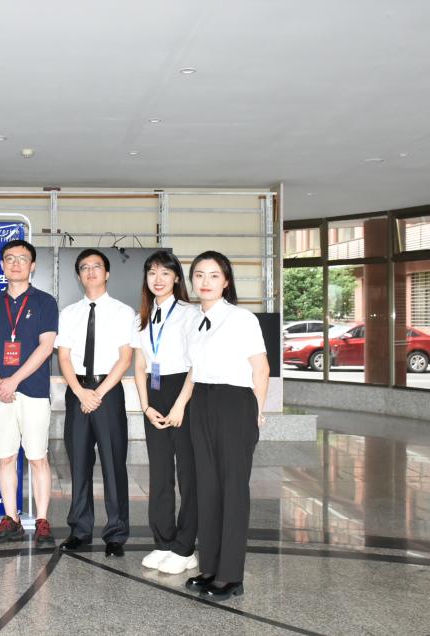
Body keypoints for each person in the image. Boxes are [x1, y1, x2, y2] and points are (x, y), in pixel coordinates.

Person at [179, 251, 269, 601]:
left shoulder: (241, 318)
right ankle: (210, 567)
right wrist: (182, 405)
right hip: (202, 401)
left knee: (233, 489)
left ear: (226, 281)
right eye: (199, 275)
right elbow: (194, 370)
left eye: (214, 275)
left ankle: (231, 575)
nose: (205, 281)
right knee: (207, 487)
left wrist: (256, 413)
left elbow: (260, 369)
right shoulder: (194, 320)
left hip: (235, 403)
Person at [0, 239, 59, 548]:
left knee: (37, 457)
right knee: (6, 457)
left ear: (32, 266)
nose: (15, 264)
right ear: (2, 265)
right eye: (9, 258)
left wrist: (14, 381)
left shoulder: (45, 302)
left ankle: (42, 521)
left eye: (22, 259)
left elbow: (46, 347)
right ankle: (11, 519)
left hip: (33, 391)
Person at [56, 249, 135, 557]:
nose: (90, 271)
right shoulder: (69, 313)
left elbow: (125, 358)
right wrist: (80, 391)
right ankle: (80, 529)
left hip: (108, 392)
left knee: (114, 463)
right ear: (79, 276)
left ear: (107, 273)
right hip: (77, 391)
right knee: (78, 462)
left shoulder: (123, 312)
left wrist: (98, 393)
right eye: (84, 267)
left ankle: (116, 533)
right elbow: (64, 357)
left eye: (96, 266)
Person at [131, 250, 200, 574]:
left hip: (184, 392)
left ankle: (185, 548)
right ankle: (163, 541)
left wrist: (180, 405)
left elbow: (197, 364)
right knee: (159, 474)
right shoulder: (141, 318)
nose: (157, 280)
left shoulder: (190, 313)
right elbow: (140, 365)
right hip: (154, 394)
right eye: (152, 273)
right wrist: (146, 405)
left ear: (176, 278)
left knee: (188, 474)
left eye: (164, 273)